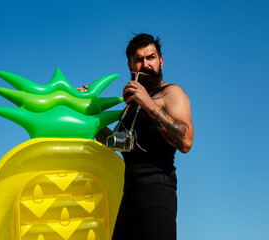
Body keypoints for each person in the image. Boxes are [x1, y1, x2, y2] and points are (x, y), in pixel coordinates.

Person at [78, 33, 194, 240]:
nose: (146, 64)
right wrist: (89, 113)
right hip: (129, 195)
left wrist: (148, 103)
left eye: (150, 58)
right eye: (139, 60)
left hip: (158, 191)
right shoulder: (131, 106)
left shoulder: (172, 93)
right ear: (130, 65)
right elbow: (115, 142)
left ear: (160, 61)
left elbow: (185, 141)